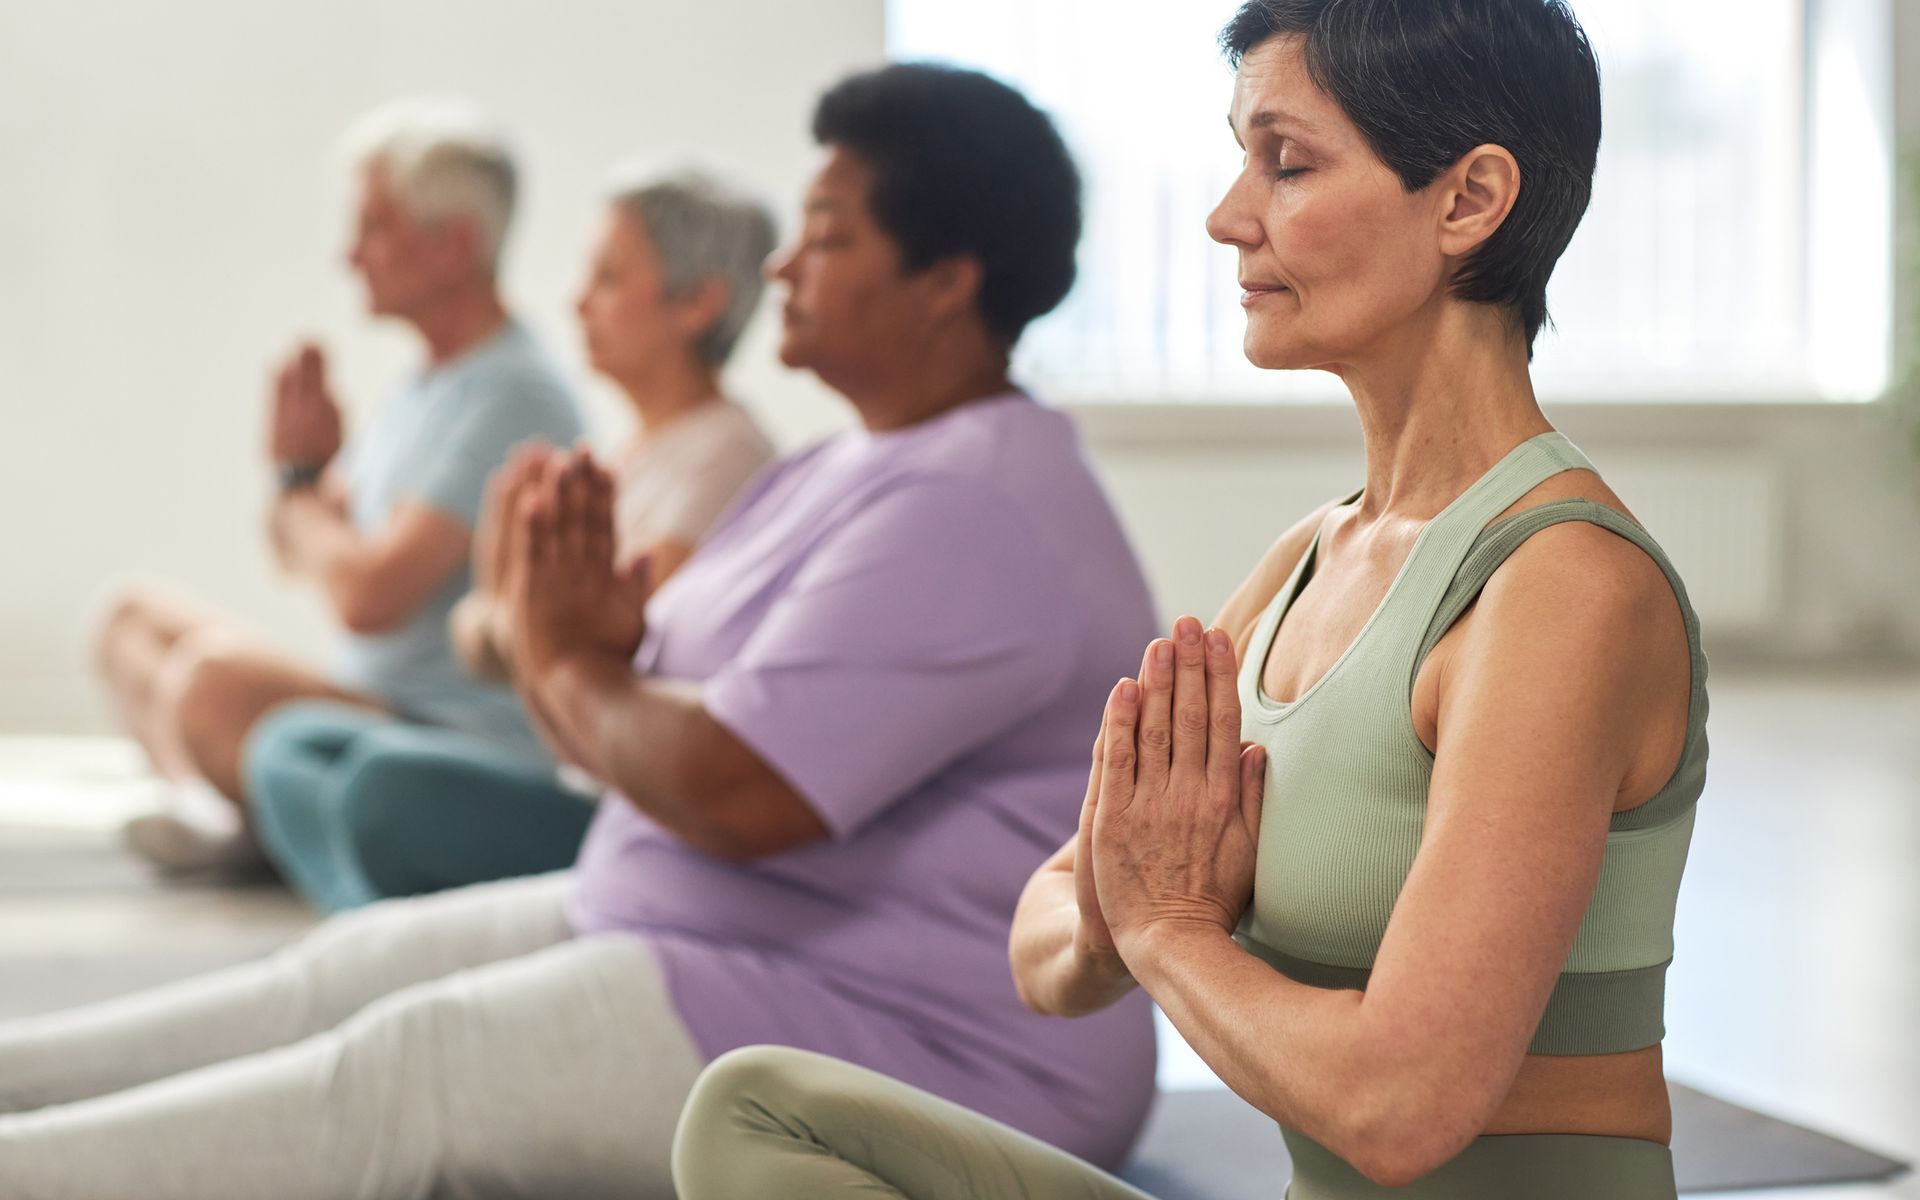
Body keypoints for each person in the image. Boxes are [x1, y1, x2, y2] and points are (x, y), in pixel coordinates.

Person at [0, 63, 1159, 1200]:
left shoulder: (972, 503)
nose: (781, 266)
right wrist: (591, 646)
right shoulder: (844, 465)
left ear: (946, 280)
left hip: (934, 1046)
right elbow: (659, 700)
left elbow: (733, 790)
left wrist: (561, 654)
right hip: (716, 925)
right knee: (339, 976)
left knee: (409, 1072)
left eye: (829, 234)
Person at [671, 0, 1707, 1200]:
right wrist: (1127, 909)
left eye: (1289, 161)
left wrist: (1167, 931)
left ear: (1469, 199)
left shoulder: (1561, 587)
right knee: (761, 1108)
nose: (1229, 214)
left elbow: (1399, 1107)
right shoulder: (1305, 562)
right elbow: (1046, 942)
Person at [243, 163, 779, 910]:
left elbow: (614, 653)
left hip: (618, 803)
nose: (576, 301)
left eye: (608, 278)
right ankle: (374, 923)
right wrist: (506, 593)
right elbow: (500, 636)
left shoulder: (724, 459)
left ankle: (376, 926)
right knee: (287, 745)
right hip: (559, 767)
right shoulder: (623, 459)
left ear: (696, 305)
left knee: (384, 787)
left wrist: (512, 606)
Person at [92, 97, 584, 871]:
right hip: (363, 698)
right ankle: (226, 817)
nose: (351, 256)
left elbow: (367, 599)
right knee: (129, 620)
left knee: (211, 680)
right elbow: (298, 552)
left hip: (439, 738)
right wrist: (300, 477)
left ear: (454, 244)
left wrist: (300, 498)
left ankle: (238, 825)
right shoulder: (423, 386)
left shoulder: (515, 394)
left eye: (375, 228)